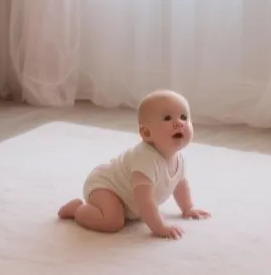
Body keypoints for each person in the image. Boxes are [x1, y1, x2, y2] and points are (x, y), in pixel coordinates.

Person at [57, 89, 210, 239]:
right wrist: (159, 227)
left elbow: (180, 184)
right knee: (112, 222)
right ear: (146, 133)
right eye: (167, 118)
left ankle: (115, 210)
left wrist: (188, 208)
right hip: (106, 187)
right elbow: (144, 200)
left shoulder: (179, 158)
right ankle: (77, 209)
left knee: (123, 216)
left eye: (184, 117)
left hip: (127, 200)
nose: (179, 123)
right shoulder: (145, 159)